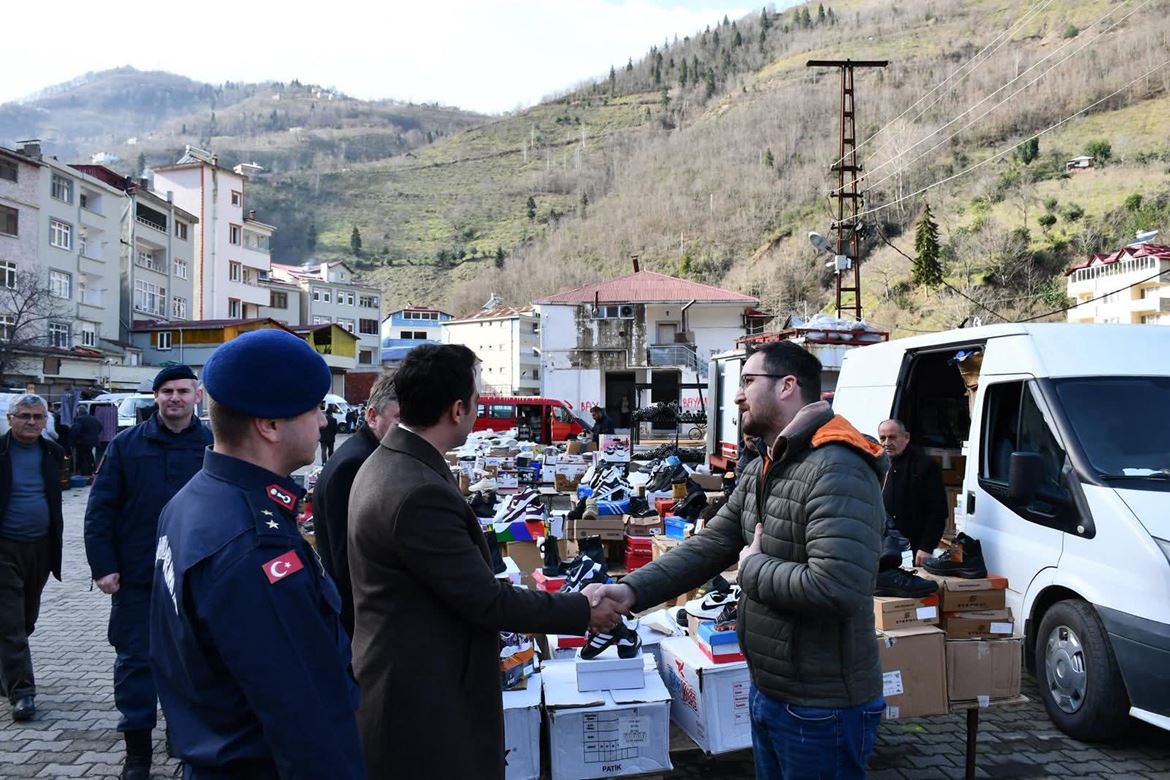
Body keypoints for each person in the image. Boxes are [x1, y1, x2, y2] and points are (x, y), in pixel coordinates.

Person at [588, 342, 888, 780]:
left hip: (822, 708)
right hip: (770, 689)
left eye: (748, 381)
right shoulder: (770, 463)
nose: (738, 394)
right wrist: (630, 590)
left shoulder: (837, 467)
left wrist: (752, 568)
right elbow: (714, 543)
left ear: (787, 386)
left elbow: (837, 587)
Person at [347, 344, 623, 779]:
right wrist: (582, 609)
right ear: (458, 409)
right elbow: (485, 600)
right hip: (424, 705)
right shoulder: (418, 490)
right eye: (476, 401)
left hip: (409, 686)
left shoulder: (390, 461)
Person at [149, 330, 364, 779]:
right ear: (270, 426)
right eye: (313, 409)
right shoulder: (254, 548)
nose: (324, 421)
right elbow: (306, 723)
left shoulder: (193, 500)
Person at [84, 365, 212, 780]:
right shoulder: (126, 445)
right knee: (136, 664)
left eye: (183, 391)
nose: (175, 398)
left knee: (194, 662)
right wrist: (103, 566)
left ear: (197, 396)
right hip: (138, 577)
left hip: (197, 575)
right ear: (156, 397)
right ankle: (137, 752)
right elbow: (100, 510)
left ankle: (184, 733)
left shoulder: (213, 445)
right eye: (167, 391)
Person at [313, 374, 399, 637]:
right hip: (359, 621)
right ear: (372, 416)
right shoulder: (356, 464)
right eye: (400, 420)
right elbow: (348, 561)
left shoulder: (369, 453)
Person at [0, 394, 64, 723]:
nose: (31, 422)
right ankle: (22, 692)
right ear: (10, 419)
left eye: (38, 417)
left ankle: (7, 671)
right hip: (4, 548)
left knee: (26, 620)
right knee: (10, 622)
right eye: (24, 416)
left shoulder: (53, 452)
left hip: (40, 547)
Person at [877, 419, 949, 566]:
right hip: (883, 546)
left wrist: (927, 546)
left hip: (914, 546)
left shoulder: (925, 465)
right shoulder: (878, 464)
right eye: (882, 438)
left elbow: (938, 511)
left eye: (892, 437)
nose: (886, 443)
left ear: (906, 437)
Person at [71, 407, 102, 476]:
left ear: (79, 412)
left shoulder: (80, 419)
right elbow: (100, 427)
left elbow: (76, 430)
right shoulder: (94, 418)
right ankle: (91, 471)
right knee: (89, 455)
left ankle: (85, 473)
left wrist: (75, 440)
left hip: (82, 442)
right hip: (93, 442)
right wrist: (94, 434)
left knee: (83, 458)